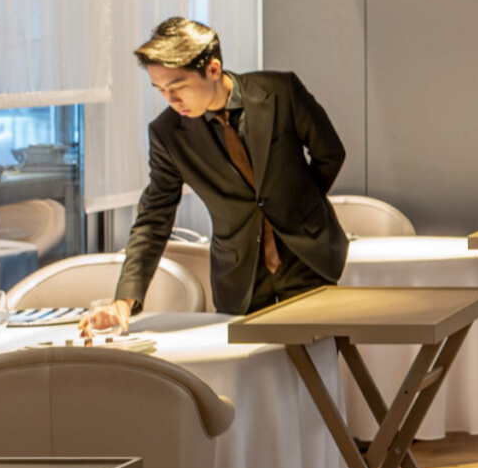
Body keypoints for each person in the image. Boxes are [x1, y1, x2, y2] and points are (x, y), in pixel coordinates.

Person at [81, 17, 350, 333]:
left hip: (308, 258)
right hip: (239, 276)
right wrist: (124, 300)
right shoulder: (168, 134)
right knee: (253, 378)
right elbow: (154, 217)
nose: (171, 100)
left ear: (213, 69)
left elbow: (330, 153)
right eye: (161, 90)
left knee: (319, 366)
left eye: (178, 87)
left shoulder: (281, 91)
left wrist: (298, 204)